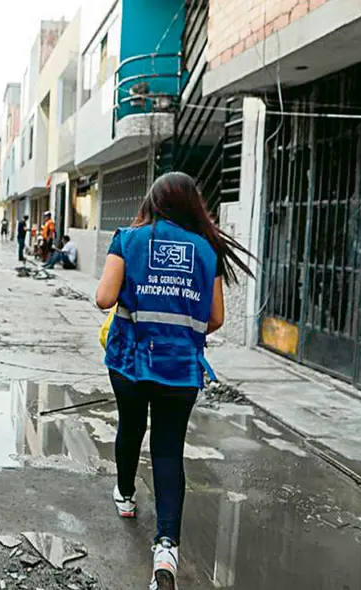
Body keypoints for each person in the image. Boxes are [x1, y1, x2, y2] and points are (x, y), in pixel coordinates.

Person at [94, 172, 253, 590]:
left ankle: (126, 495)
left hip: (130, 362)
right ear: (192, 206)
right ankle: (165, 552)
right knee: (168, 451)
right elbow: (215, 318)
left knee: (131, 428)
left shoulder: (127, 239)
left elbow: (104, 298)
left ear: (152, 202)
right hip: (180, 370)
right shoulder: (205, 249)